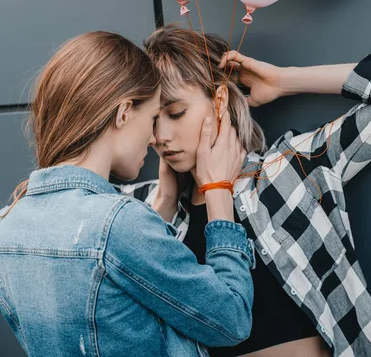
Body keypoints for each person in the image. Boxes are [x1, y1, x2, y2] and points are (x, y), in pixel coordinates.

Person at [118, 23, 371, 357]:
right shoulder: (139, 208)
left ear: (219, 100)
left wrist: (283, 81)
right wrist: (162, 204)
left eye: (176, 113)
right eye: (152, 119)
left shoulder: (289, 170)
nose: (160, 136)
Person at [0, 31, 255, 357]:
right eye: (152, 119)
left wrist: (162, 203)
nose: (156, 139)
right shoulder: (118, 224)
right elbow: (231, 319)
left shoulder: (9, 225)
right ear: (123, 114)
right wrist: (219, 193)